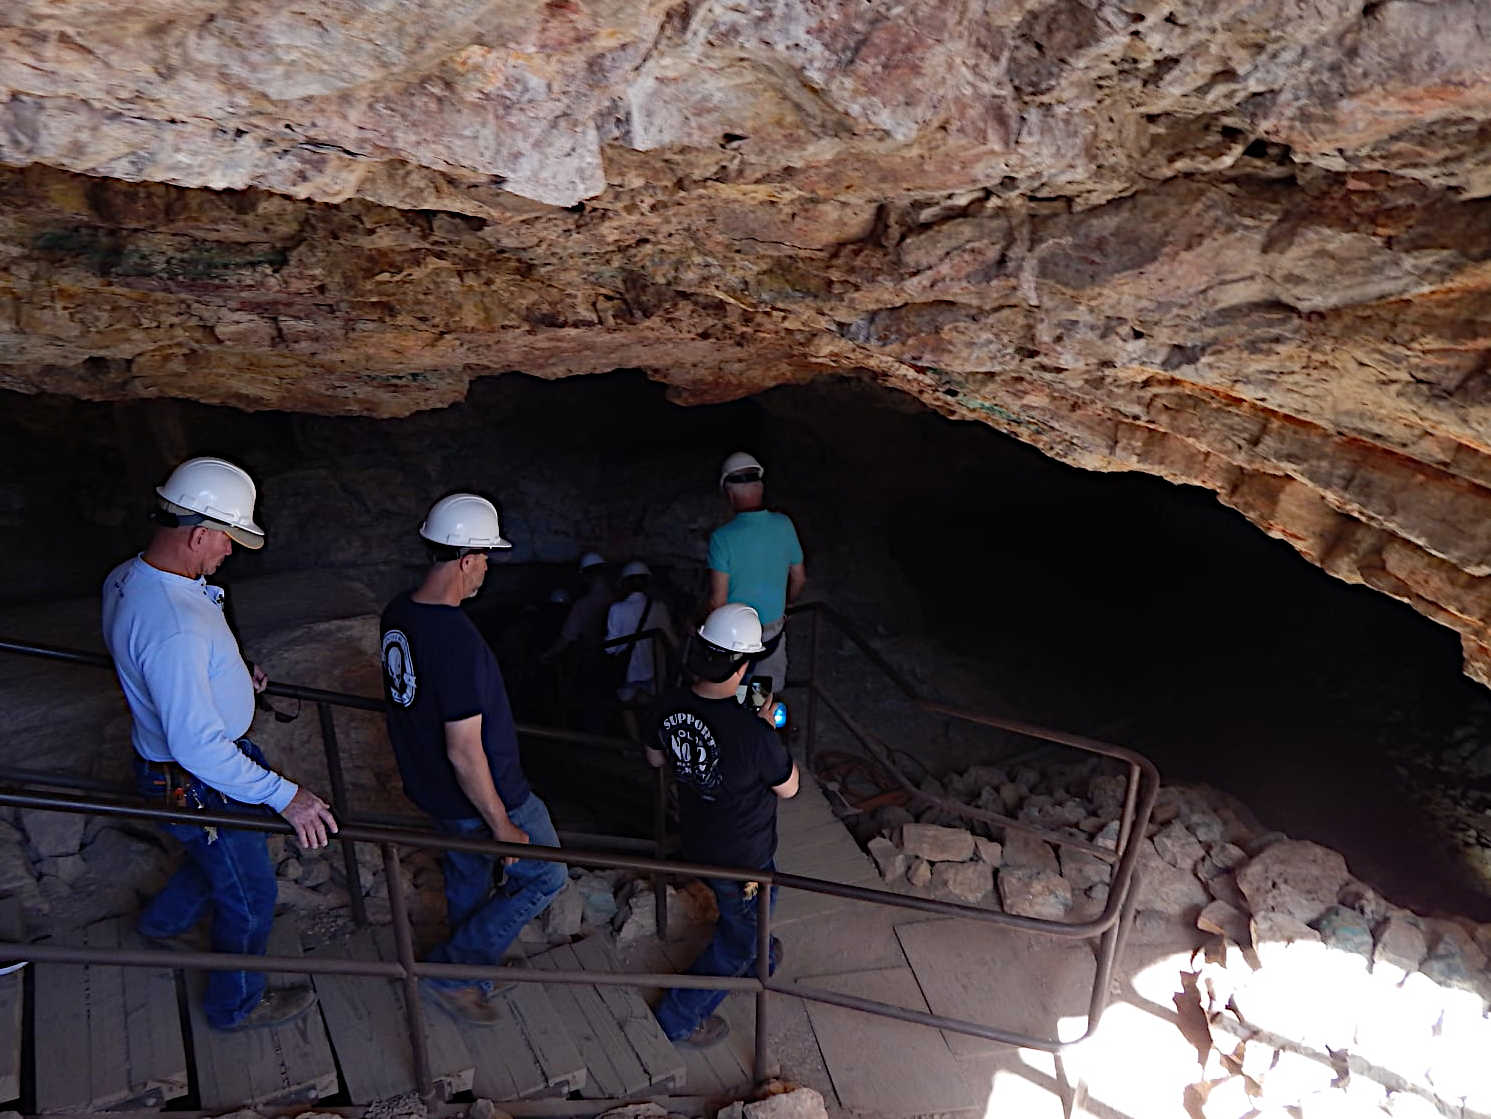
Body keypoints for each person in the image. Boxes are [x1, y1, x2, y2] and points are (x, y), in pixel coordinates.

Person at [102, 456, 338, 1031]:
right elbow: (199, 747)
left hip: (185, 767)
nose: (229, 552)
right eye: (227, 540)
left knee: (219, 860)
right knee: (251, 896)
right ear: (199, 533)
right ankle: (234, 1007)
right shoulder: (174, 625)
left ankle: (160, 927)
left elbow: (176, 674)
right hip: (199, 780)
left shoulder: (129, 578)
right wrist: (287, 795)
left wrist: (232, 673)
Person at [379, 493, 567, 1025]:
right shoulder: (456, 641)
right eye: (485, 558)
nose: (486, 569)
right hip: (485, 792)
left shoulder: (399, 612)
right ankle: (456, 972)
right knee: (546, 876)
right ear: (465, 561)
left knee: (468, 876)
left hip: (429, 787)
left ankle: (463, 977)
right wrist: (503, 824)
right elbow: (465, 750)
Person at [646, 603, 799, 1049]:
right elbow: (788, 788)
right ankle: (678, 1017)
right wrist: (767, 728)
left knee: (750, 912)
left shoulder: (668, 702)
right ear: (745, 663)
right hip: (744, 854)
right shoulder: (754, 734)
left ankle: (761, 951)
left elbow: (655, 757)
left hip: (697, 834)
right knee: (740, 937)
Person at [707, 453, 806, 698]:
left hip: (735, 639)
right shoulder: (784, 525)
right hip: (772, 633)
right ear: (760, 487)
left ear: (729, 494)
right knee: (760, 697)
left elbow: (717, 602)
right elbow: (799, 578)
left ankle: (736, 721)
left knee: (729, 694)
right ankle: (760, 724)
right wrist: (788, 604)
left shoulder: (722, 538)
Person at [542, 552, 614, 730]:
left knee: (589, 698)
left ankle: (588, 735)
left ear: (586, 576)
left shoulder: (583, 605)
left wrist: (545, 656)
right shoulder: (617, 598)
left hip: (591, 658)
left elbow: (567, 638)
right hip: (616, 659)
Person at [604, 560, 677, 707]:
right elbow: (673, 642)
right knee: (650, 711)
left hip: (628, 672)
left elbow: (610, 648)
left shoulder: (616, 609)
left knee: (627, 709)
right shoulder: (659, 608)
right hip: (653, 672)